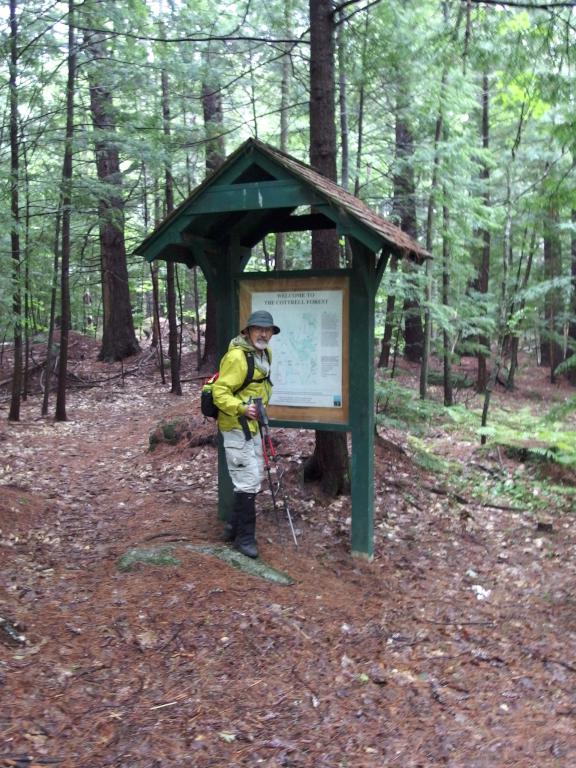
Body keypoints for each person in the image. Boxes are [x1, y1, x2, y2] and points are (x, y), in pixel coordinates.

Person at [212, 309, 280, 558]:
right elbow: (220, 393)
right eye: (258, 329)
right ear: (247, 331)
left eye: (268, 330)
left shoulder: (265, 354)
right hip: (236, 426)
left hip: (253, 427)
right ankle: (244, 538)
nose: (263, 333)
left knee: (252, 476)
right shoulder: (237, 358)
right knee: (248, 479)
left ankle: (232, 526)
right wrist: (242, 408)